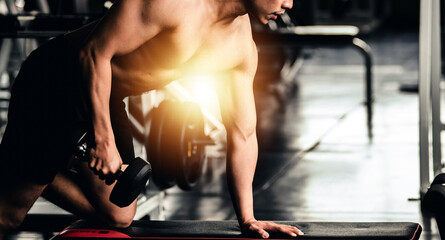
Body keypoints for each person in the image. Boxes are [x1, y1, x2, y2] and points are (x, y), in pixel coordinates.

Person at [0, 0, 305, 239]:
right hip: (55, 81)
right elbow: (94, 55)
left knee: (119, 214)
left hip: (107, 97)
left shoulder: (239, 47)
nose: (289, 4)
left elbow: (243, 134)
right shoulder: (170, 3)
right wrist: (103, 140)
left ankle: (23, 165)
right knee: (9, 217)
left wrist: (248, 218)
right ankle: (25, 168)